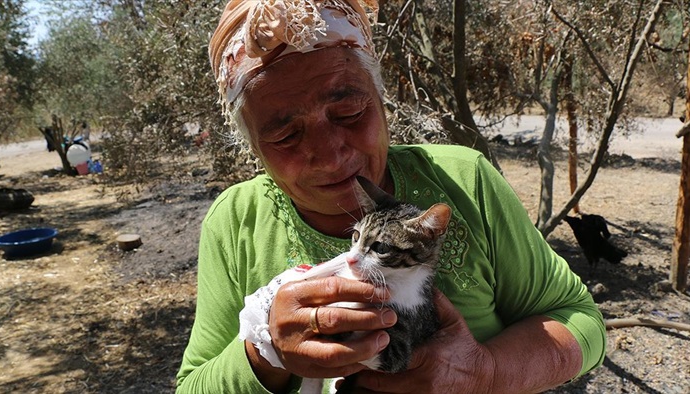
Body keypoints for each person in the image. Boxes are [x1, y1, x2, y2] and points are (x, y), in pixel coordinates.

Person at [176, 1, 606, 393]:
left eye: (349, 112)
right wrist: (263, 351)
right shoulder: (234, 222)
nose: (330, 155)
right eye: (285, 135)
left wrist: (487, 372)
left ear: (382, 99)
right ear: (252, 147)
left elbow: (583, 323)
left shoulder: (465, 180)